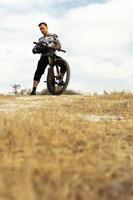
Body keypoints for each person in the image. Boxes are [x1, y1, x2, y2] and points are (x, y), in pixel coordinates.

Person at [30, 22, 64, 95]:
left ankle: (60, 78)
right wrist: (36, 50)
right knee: (38, 72)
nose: (42, 30)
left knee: (63, 64)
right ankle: (33, 90)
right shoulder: (40, 39)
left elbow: (59, 45)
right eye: (40, 29)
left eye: (43, 28)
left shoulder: (54, 36)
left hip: (53, 55)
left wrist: (56, 47)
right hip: (44, 57)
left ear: (47, 27)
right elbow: (35, 48)